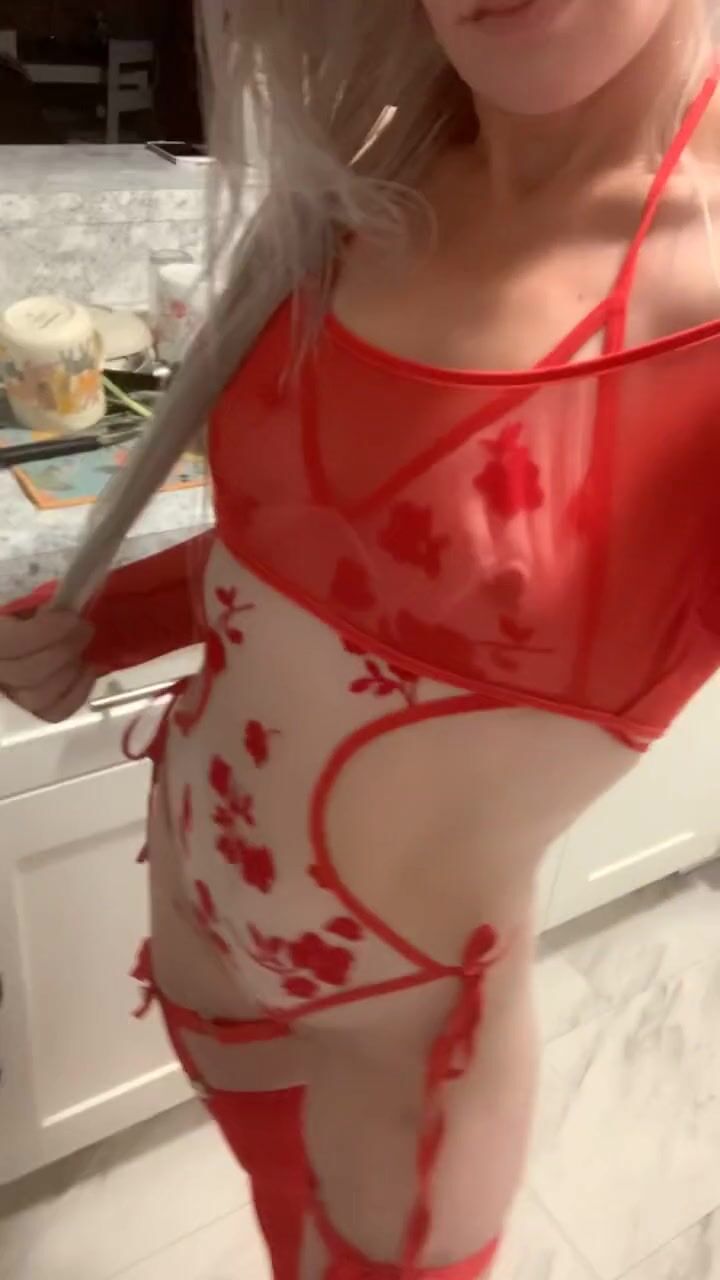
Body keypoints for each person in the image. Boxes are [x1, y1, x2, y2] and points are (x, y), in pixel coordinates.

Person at [2, 1, 720, 1276]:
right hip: (192, 917)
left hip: (397, 1045)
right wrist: (105, 621)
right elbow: (307, 543)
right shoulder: (375, 168)